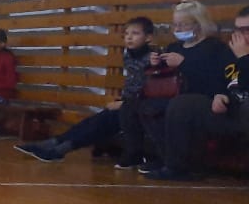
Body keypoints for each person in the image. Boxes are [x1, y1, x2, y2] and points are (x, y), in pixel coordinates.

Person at [147, 4, 249, 196]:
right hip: (235, 111)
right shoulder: (234, 51)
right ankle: (177, 167)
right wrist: (221, 94)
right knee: (184, 104)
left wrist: (245, 59)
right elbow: (225, 80)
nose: (240, 35)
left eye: (246, 29)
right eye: (237, 29)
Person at [14, 18, 156, 162]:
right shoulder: (129, 56)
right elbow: (133, 85)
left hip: (139, 108)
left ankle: (61, 150)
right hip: (127, 105)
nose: (129, 37)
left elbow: (151, 92)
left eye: (135, 33)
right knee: (92, 121)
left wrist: (124, 104)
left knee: (104, 122)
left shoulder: (153, 59)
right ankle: (54, 142)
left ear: (148, 38)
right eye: (126, 34)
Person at [139, 0, 236, 173]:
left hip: (202, 97)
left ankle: (177, 162)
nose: (177, 29)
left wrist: (184, 63)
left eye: (183, 25)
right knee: (141, 106)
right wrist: (155, 63)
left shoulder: (215, 48)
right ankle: (165, 157)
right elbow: (165, 74)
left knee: (172, 107)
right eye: (175, 25)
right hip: (175, 94)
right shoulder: (174, 47)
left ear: (198, 24)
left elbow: (218, 79)